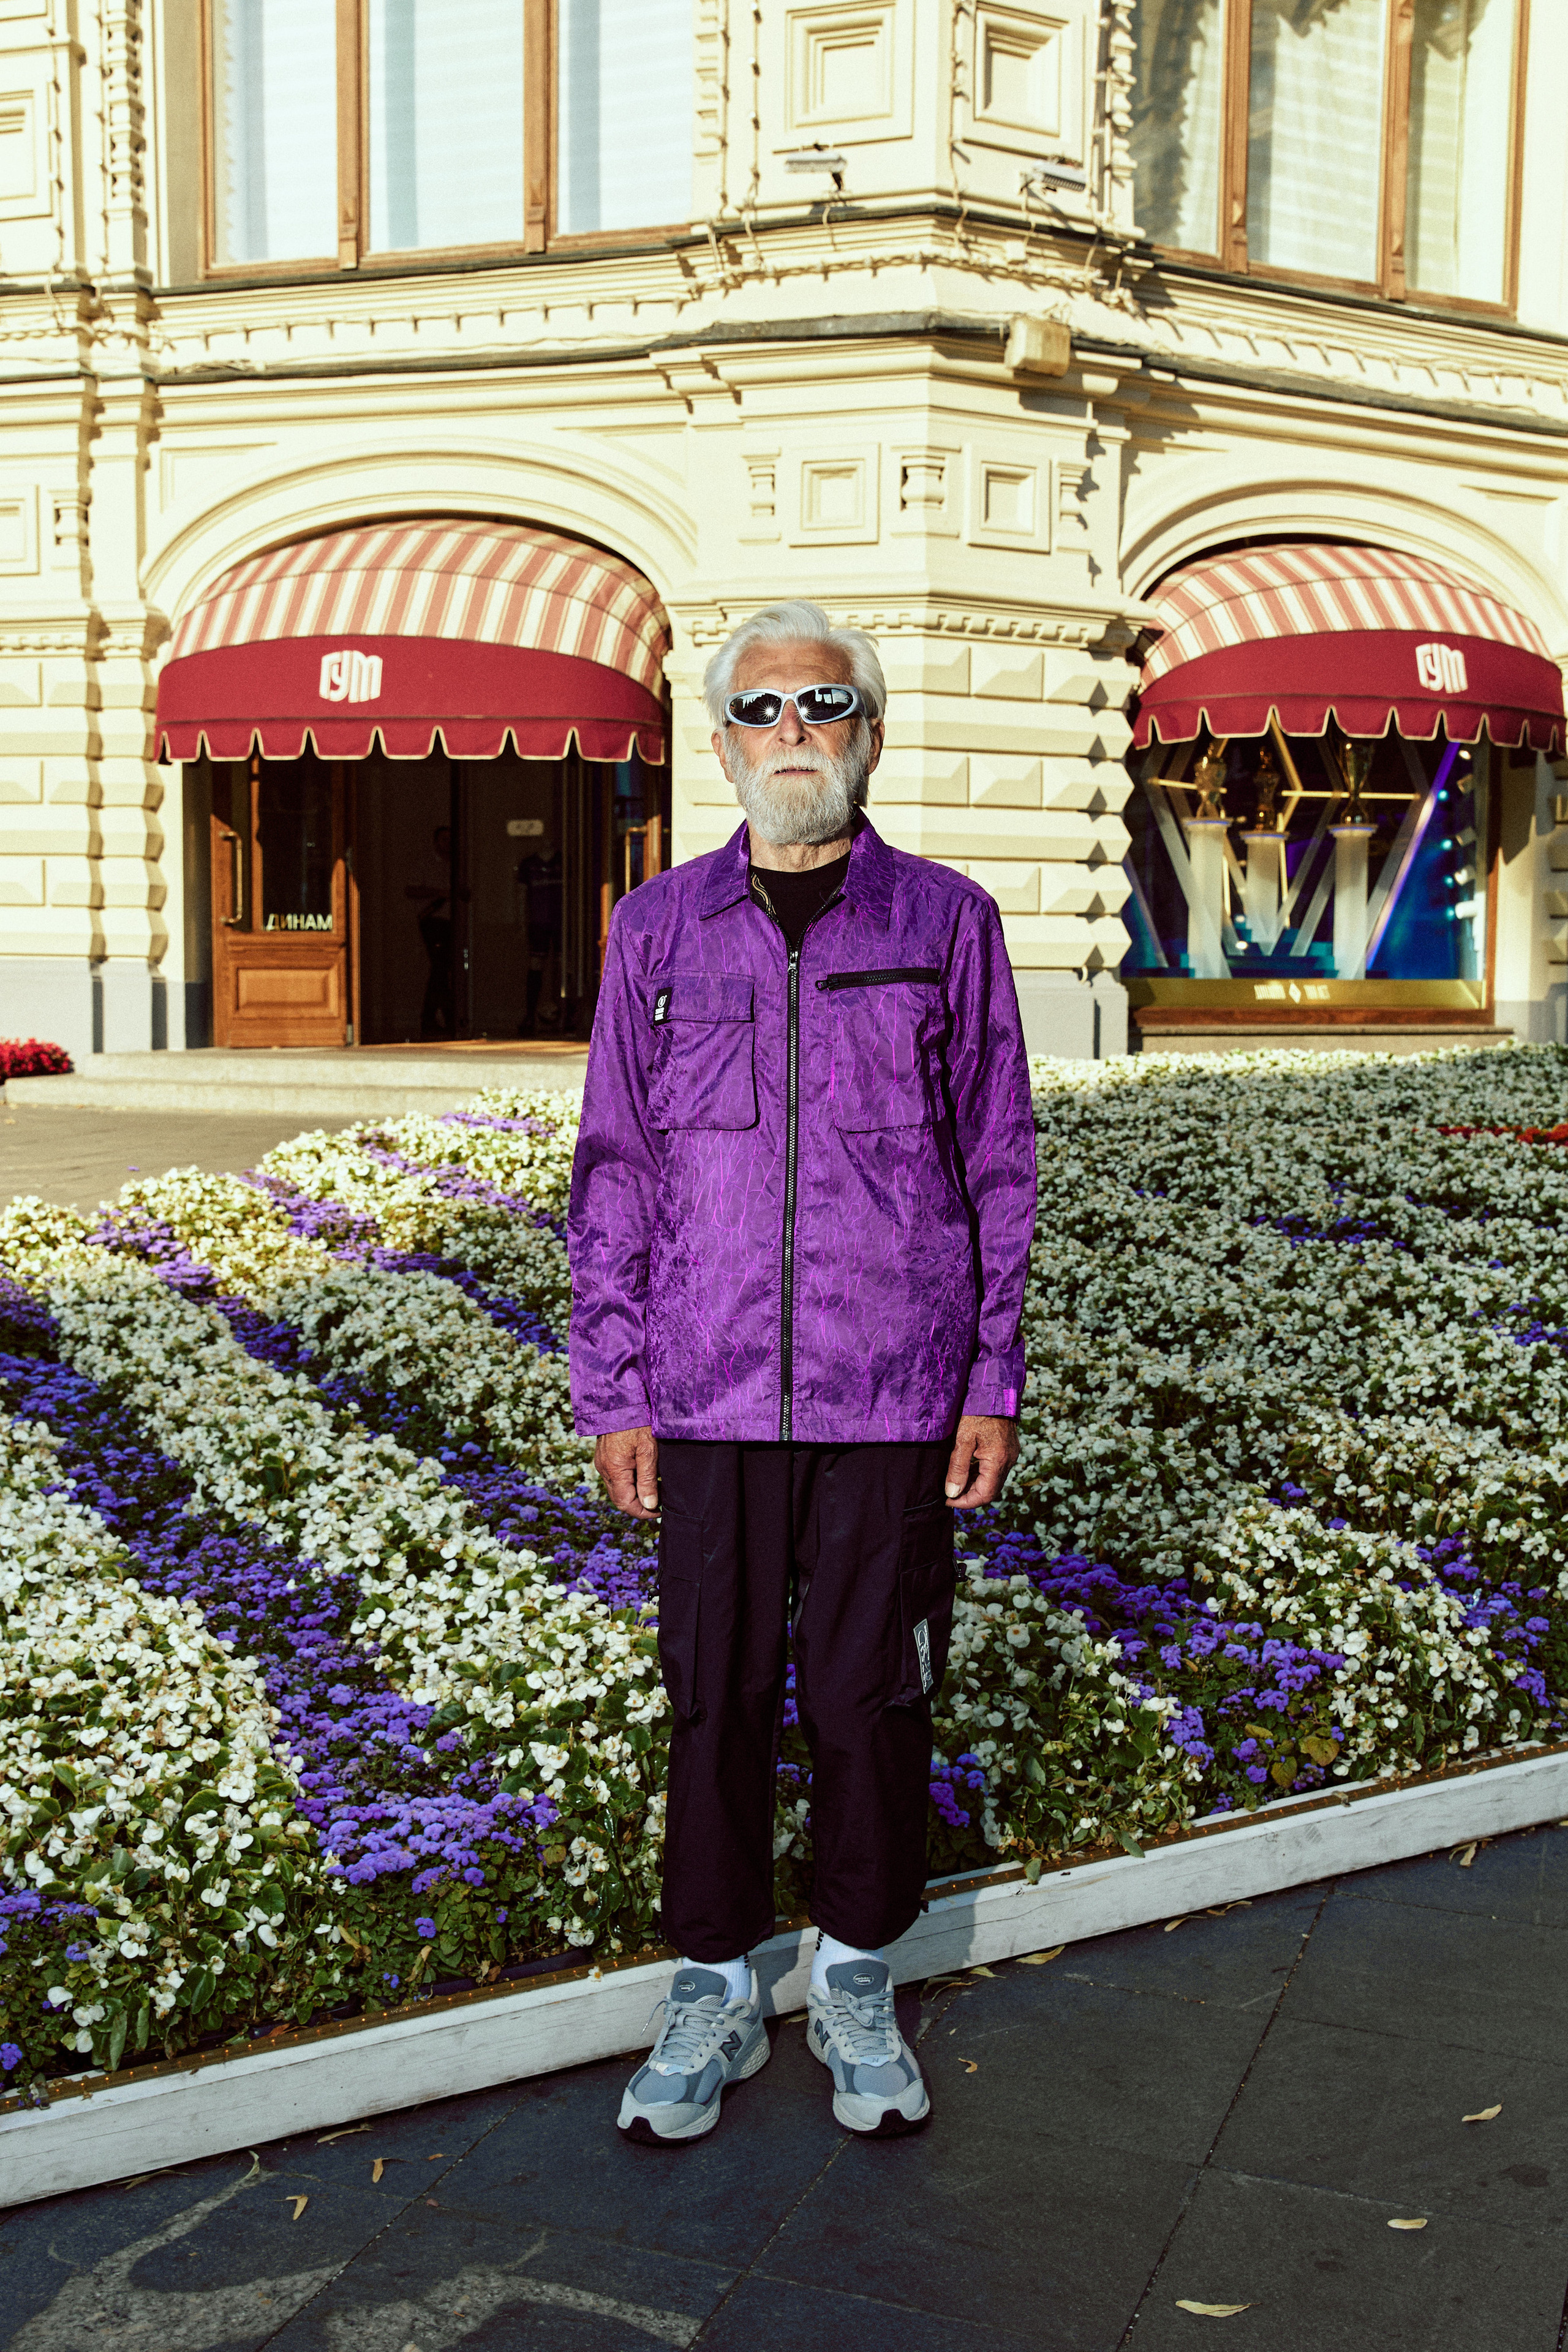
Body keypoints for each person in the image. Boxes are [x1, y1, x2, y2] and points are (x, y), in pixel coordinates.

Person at [567, 600, 1036, 2144]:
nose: (792, 733)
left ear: (870, 734)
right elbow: (616, 1168)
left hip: (891, 1388)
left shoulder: (946, 922)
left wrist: (988, 1378)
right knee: (709, 1695)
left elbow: (997, 1160)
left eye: (822, 705)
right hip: (702, 1390)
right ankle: (711, 1980)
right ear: (719, 745)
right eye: (760, 710)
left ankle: (851, 1972)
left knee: (865, 1695)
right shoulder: (654, 928)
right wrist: (613, 1387)